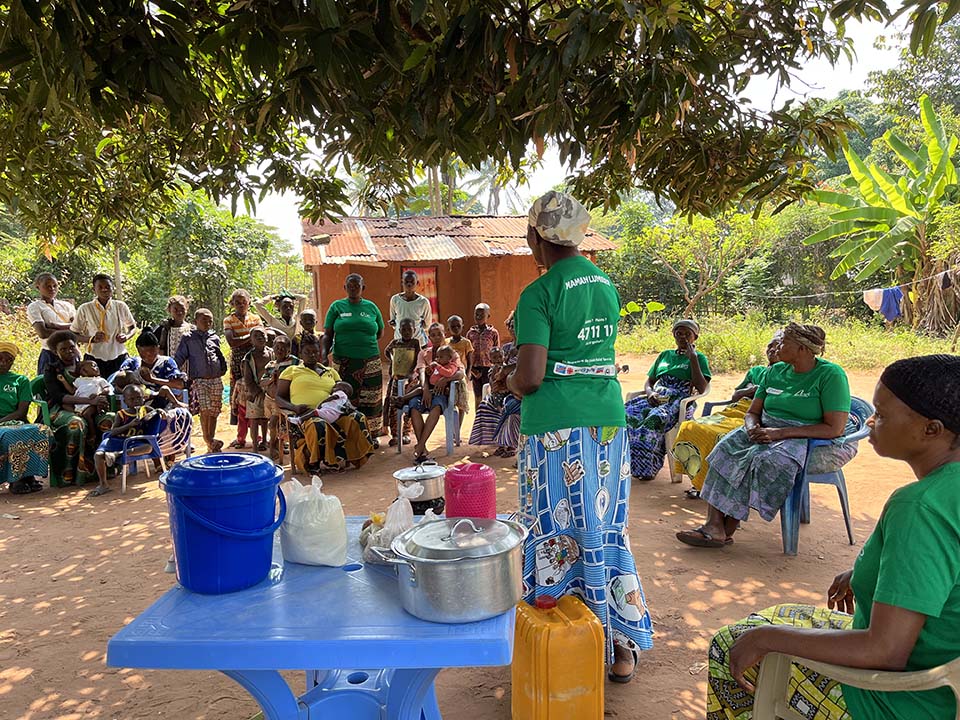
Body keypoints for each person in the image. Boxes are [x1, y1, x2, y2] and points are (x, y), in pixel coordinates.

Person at [707, 354, 960, 720]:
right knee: (773, 618)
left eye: (883, 415)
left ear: (931, 430)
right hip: (948, 674)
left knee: (732, 644)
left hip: (903, 699)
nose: (871, 421)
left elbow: (886, 651)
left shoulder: (920, 507)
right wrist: (866, 573)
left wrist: (768, 638)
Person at [507, 190, 652, 683]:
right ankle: (619, 641)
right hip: (608, 420)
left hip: (556, 426)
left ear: (536, 235)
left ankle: (558, 641)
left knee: (553, 528)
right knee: (604, 525)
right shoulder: (604, 283)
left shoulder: (539, 293)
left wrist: (507, 382)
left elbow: (529, 378)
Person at [677, 323, 854, 548]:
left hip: (808, 436)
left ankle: (726, 527)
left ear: (802, 349)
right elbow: (753, 412)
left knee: (763, 460)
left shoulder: (830, 375)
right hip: (767, 429)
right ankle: (714, 525)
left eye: (784, 342)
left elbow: (834, 428)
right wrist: (751, 427)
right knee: (724, 448)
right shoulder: (774, 372)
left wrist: (779, 433)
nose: (777, 346)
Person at [672, 333, 782, 499]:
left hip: (754, 416)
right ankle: (701, 482)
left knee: (720, 437)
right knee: (690, 426)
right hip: (735, 410)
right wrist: (753, 390)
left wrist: (757, 392)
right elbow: (735, 396)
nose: (772, 350)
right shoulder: (757, 371)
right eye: (769, 346)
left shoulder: (786, 377)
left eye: (777, 347)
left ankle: (716, 488)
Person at [625, 319, 711, 482]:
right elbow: (650, 381)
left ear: (695, 337)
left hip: (678, 402)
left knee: (653, 420)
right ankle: (627, 464)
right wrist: (650, 393)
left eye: (687, 334)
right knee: (626, 414)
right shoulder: (665, 355)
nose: (683, 337)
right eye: (679, 333)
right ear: (673, 335)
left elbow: (701, 388)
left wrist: (692, 359)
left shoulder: (699, 358)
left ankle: (647, 468)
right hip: (656, 396)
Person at [275, 335, 375, 472]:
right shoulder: (291, 371)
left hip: (333, 413)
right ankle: (314, 463)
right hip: (306, 415)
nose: (312, 355)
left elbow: (343, 392)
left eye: (315, 352)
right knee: (317, 424)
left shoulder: (331, 372)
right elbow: (279, 397)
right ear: (300, 354)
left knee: (358, 418)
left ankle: (352, 457)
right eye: (307, 352)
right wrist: (294, 407)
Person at [43, 330, 114, 486]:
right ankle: (69, 476)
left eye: (72, 347)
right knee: (76, 424)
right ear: (55, 352)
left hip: (92, 406)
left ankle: (106, 469)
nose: (69, 351)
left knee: (110, 420)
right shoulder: (52, 369)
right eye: (63, 349)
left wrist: (98, 400)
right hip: (62, 409)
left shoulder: (87, 364)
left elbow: (104, 385)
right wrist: (89, 401)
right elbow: (58, 397)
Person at [322, 273, 385, 442]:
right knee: (342, 397)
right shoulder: (336, 307)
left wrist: (361, 343)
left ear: (363, 288)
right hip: (343, 362)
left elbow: (379, 332)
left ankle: (371, 435)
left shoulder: (371, 307)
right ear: (345, 288)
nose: (353, 289)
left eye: (356, 286)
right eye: (349, 286)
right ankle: (345, 435)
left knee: (371, 397)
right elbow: (328, 334)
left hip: (370, 360)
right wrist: (323, 354)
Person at [397, 322, 464, 463]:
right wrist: (425, 389)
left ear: (444, 334)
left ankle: (420, 446)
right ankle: (423, 449)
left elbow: (460, 373)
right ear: (429, 337)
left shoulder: (451, 353)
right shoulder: (424, 353)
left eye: (439, 334)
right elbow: (421, 371)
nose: (437, 337)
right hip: (423, 390)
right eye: (433, 335)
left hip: (440, 392)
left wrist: (446, 379)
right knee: (414, 407)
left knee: (436, 407)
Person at [90, 384, 161, 497]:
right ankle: (103, 484)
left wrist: (161, 412)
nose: (136, 401)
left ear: (144, 398)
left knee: (148, 448)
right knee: (98, 455)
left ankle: (116, 455)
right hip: (119, 440)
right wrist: (129, 425)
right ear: (125, 401)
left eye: (139, 398)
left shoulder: (146, 410)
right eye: (132, 399)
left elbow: (156, 413)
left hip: (135, 442)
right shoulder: (121, 414)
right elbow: (113, 432)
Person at [174, 308, 227, 453]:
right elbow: (179, 357)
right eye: (204, 320)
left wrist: (223, 368)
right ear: (195, 321)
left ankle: (211, 440)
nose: (208, 323)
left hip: (216, 379)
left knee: (214, 411)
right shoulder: (188, 338)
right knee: (205, 409)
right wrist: (173, 371)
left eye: (210, 320)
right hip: (199, 380)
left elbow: (219, 355)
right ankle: (208, 440)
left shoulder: (214, 337)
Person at [0, 342, 48, 494]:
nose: (4, 363)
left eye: (9, 360)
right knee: (12, 435)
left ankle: (28, 475)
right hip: (7, 426)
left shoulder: (20, 380)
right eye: (0, 358)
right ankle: (16, 480)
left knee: (40, 430)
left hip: (14, 420)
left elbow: (22, 411)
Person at [71, 273, 136, 378]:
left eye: (107, 287)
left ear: (112, 288)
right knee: (96, 389)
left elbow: (132, 327)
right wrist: (91, 339)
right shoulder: (85, 308)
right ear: (94, 289)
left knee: (119, 387)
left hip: (118, 355)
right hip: (94, 358)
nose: (104, 290)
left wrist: (126, 336)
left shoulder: (120, 306)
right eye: (100, 287)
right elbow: (74, 334)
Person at [223, 289, 263, 449]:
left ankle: (258, 436)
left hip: (256, 360)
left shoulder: (256, 318)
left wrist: (246, 338)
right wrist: (252, 336)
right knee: (239, 398)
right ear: (232, 304)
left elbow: (261, 338)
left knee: (257, 395)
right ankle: (240, 436)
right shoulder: (229, 320)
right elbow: (231, 342)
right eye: (237, 302)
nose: (241, 305)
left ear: (249, 302)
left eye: (243, 301)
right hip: (238, 362)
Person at [468, 346, 522, 457]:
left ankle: (511, 445)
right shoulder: (492, 370)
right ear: (491, 360)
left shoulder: (508, 368)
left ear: (504, 357)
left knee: (508, 409)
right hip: (498, 396)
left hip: (511, 395)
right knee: (486, 406)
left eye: (499, 357)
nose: (498, 359)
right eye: (495, 358)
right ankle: (500, 444)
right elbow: (493, 386)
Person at [118, 331, 187, 409]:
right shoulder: (131, 363)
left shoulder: (166, 362)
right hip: (136, 405)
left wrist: (152, 379)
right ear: (138, 350)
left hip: (162, 403)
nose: (148, 357)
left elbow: (179, 384)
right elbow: (119, 380)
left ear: (158, 348)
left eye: (152, 353)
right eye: (144, 354)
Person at [26, 272, 76, 375]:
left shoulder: (66, 305)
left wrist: (55, 326)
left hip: (71, 353)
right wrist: (69, 329)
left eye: (54, 286)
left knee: (73, 385)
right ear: (38, 287)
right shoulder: (35, 307)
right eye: (47, 286)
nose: (52, 289)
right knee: (49, 386)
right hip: (50, 353)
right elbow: (43, 333)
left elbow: (78, 328)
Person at [382, 318, 421, 446]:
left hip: (410, 380)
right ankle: (395, 434)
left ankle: (406, 433)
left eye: (409, 329)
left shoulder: (415, 343)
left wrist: (412, 373)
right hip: (396, 378)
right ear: (399, 330)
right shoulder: (395, 343)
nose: (406, 332)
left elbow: (418, 358)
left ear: (414, 330)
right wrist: (393, 361)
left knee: (408, 404)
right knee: (394, 404)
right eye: (403, 329)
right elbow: (387, 351)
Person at [260, 334, 299, 461]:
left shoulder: (294, 362)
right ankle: (276, 444)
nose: (280, 351)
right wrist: (272, 379)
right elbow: (262, 382)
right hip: (269, 399)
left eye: (283, 348)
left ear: (289, 350)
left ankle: (272, 447)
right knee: (274, 425)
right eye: (277, 348)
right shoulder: (270, 365)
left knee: (273, 423)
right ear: (273, 348)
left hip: (282, 400)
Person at [242, 326, 273, 452]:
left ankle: (265, 441)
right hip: (255, 392)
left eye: (262, 335)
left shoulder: (272, 353)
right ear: (251, 340)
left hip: (270, 391)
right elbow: (248, 378)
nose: (260, 338)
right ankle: (255, 445)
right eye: (256, 336)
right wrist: (256, 391)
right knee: (254, 419)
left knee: (266, 418)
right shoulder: (248, 358)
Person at [466, 303, 500, 407]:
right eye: (476, 314)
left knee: (489, 394)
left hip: (489, 368)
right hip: (476, 369)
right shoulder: (470, 333)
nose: (478, 317)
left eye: (482, 315)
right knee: (478, 396)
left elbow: (497, 351)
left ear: (488, 316)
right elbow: (467, 353)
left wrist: (495, 368)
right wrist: (472, 370)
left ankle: (489, 418)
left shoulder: (493, 333)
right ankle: (479, 420)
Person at [63, 359, 113, 425]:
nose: (97, 368)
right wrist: (63, 381)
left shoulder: (100, 380)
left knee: (87, 414)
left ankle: (93, 433)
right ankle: (77, 413)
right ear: (84, 371)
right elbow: (72, 391)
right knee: (64, 405)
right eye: (94, 366)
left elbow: (107, 389)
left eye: (97, 366)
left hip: (94, 403)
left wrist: (98, 394)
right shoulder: (78, 380)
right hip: (79, 403)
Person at [446, 315, 473, 437]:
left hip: (461, 377)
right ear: (448, 328)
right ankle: (451, 429)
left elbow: (469, 360)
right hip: (448, 376)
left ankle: (457, 431)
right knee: (450, 403)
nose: (456, 328)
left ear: (462, 327)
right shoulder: (446, 343)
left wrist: (467, 375)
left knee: (461, 404)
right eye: (453, 327)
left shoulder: (466, 343)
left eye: (458, 326)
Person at [389, 270, 431, 346]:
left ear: (417, 283)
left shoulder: (423, 302)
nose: (409, 284)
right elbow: (393, 321)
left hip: (419, 342)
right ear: (402, 283)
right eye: (406, 282)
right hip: (399, 342)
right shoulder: (395, 300)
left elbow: (427, 324)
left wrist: (417, 328)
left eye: (412, 282)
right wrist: (393, 323)